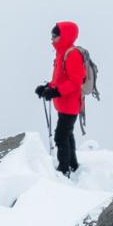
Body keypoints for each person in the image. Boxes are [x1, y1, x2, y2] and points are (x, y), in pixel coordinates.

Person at [34, 21, 86, 176]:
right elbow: (60, 79)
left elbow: (75, 82)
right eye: (52, 35)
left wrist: (56, 92)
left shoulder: (72, 54)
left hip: (70, 104)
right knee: (67, 134)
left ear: (64, 36)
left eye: (55, 36)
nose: (52, 39)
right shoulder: (61, 53)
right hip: (63, 103)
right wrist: (48, 87)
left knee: (60, 136)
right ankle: (73, 165)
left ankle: (64, 170)